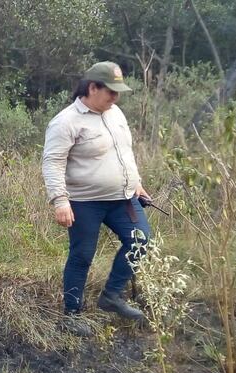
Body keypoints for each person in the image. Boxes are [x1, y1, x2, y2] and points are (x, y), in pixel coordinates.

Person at [41, 61, 150, 335]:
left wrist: (137, 183)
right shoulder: (65, 121)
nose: (116, 97)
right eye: (110, 91)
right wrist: (60, 200)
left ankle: (111, 296)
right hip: (84, 202)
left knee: (141, 240)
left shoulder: (116, 114)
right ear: (92, 87)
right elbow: (52, 163)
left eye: (118, 92)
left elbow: (126, 153)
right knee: (82, 255)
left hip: (122, 198)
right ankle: (72, 314)